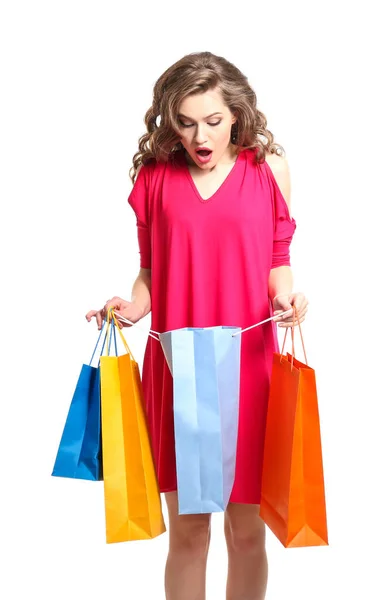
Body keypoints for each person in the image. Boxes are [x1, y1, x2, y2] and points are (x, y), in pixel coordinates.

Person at [86, 51, 309, 600]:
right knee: (188, 532)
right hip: (177, 366)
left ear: (236, 114)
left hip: (249, 368)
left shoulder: (268, 168)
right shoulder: (155, 174)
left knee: (248, 531)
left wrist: (290, 297)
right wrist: (132, 307)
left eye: (212, 121)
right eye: (185, 122)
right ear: (169, 120)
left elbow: (277, 260)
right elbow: (150, 271)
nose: (200, 136)